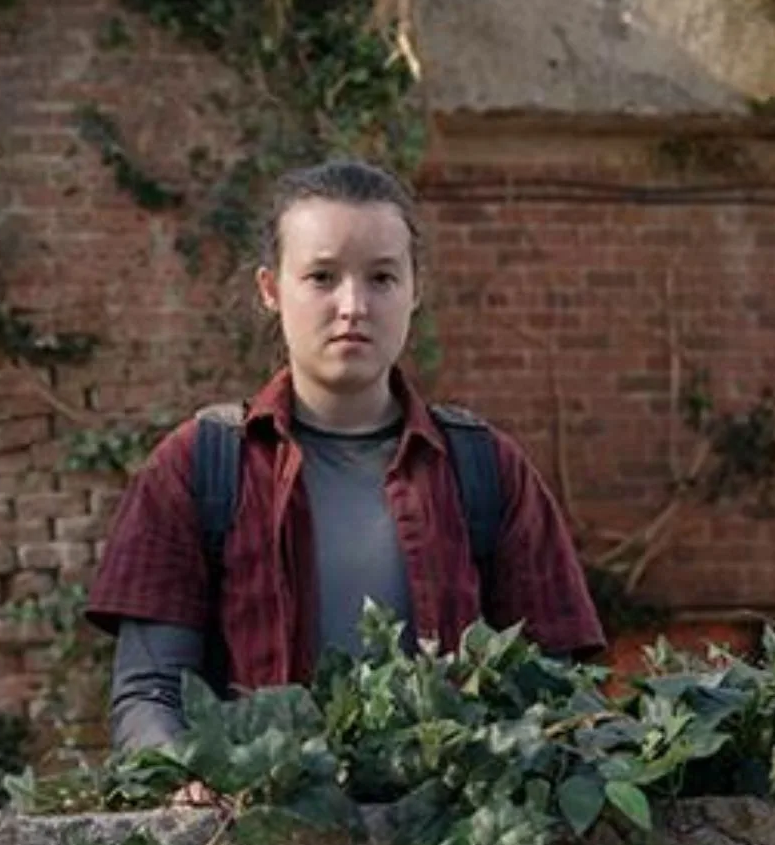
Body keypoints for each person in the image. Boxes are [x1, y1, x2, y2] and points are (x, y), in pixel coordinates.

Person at [85, 158, 605, 779]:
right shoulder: (198, 466)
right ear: (271, 289)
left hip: (445, 829)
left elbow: (557, 694)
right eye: (322, 277)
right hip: (264, 828)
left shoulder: (486, 469)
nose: (353, 305)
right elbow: (149, 694)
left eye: (382, 277)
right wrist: (186, 783)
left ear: (415, 290)